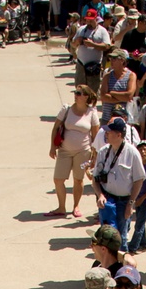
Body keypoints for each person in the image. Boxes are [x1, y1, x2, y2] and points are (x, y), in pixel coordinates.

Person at [92, 117, 146, 252]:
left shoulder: (132, 153)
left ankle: (121, 267)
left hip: (124, 202)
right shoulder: (103, 152)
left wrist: (130, 204)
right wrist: (100, 195)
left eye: (109, 132)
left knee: (121, 238)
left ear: (119, 135)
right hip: (108, 201)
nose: (106, 134)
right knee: (106, 237)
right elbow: (95, 179)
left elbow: (139, 180)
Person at [48, 83, 100, 217]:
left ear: (86, 97)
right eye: (75, 93)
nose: (75, 96)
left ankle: (76, 206)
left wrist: (95, 155)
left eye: (78, 94)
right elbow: (55, 128)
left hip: (83, 152)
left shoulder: (92, 113)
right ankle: (61, 207)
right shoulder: (66, 109)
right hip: (64, 150)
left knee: (78, 179)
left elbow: (96, 136)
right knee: (58, 179)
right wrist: (53, 147)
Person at [72, 7, 111, 88]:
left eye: (91, 20)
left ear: (96, 19)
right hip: (81, 65)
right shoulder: (81, 29)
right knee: (79, 90)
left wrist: (93, 44)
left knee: (93, 91)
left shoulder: (102, 31)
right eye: (87, 20)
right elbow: (73, 44)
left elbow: (107, 46)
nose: (88, 22)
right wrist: (77, 42)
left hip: (94, 66)